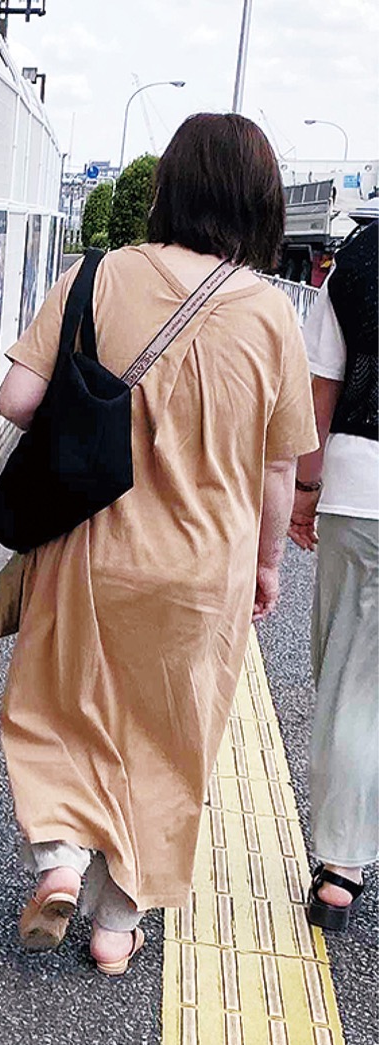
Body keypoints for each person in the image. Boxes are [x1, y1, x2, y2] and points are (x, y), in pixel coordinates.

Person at [0, 113, 318, 975]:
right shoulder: (272, 313)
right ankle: (113, 924)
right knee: (169, 744)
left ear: (170, 187)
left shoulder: (97, 275)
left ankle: (59, 856)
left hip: (90, 553)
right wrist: (267, 563)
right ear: (259, 203)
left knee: (57, 708)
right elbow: (279, 468)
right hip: (204, 571)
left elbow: (16, 401)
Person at [287, 211, 378, 931]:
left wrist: (303, 492)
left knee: (353, 679)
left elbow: (321, 391)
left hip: (361, 489)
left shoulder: (358, 263)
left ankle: (341, 870)